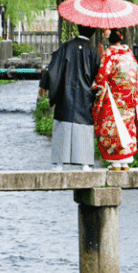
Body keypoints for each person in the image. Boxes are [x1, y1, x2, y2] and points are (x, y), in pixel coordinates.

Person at [38, 24, 101, 171]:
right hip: (84, 96)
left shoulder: (66, 47)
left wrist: (43, 85)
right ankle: (85, 163)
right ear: (92, 33)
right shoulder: (93, 51)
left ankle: (59, 163)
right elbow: (97, 75)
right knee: (84, 127)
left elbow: (53, 68)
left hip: (65, 94)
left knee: (63, 125)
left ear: (78, 29)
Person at [91, 28, 138, 171]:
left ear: (108, 39)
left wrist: (95, 85)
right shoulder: (129, 55)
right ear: (120, 38)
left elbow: (101, 78)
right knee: (128, 127)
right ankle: (126, 162)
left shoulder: (109, 54)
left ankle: (116, 162)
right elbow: (135, 74)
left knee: (113, 127)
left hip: (114, 98)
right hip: (129, 98)